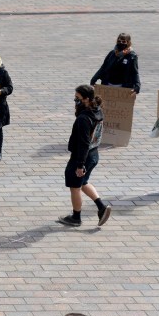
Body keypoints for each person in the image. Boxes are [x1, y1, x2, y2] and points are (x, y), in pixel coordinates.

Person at [58, 85, 111, 227]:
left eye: (78, 98)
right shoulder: (97, 111)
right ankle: (101, 207)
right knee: (83, 182)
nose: (75, 100)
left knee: (75, 187)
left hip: (82, 157)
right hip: (94, 154)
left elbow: (83, 143)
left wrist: (79, 165)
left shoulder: (83, 118)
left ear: (87, 99)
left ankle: (76, 217)